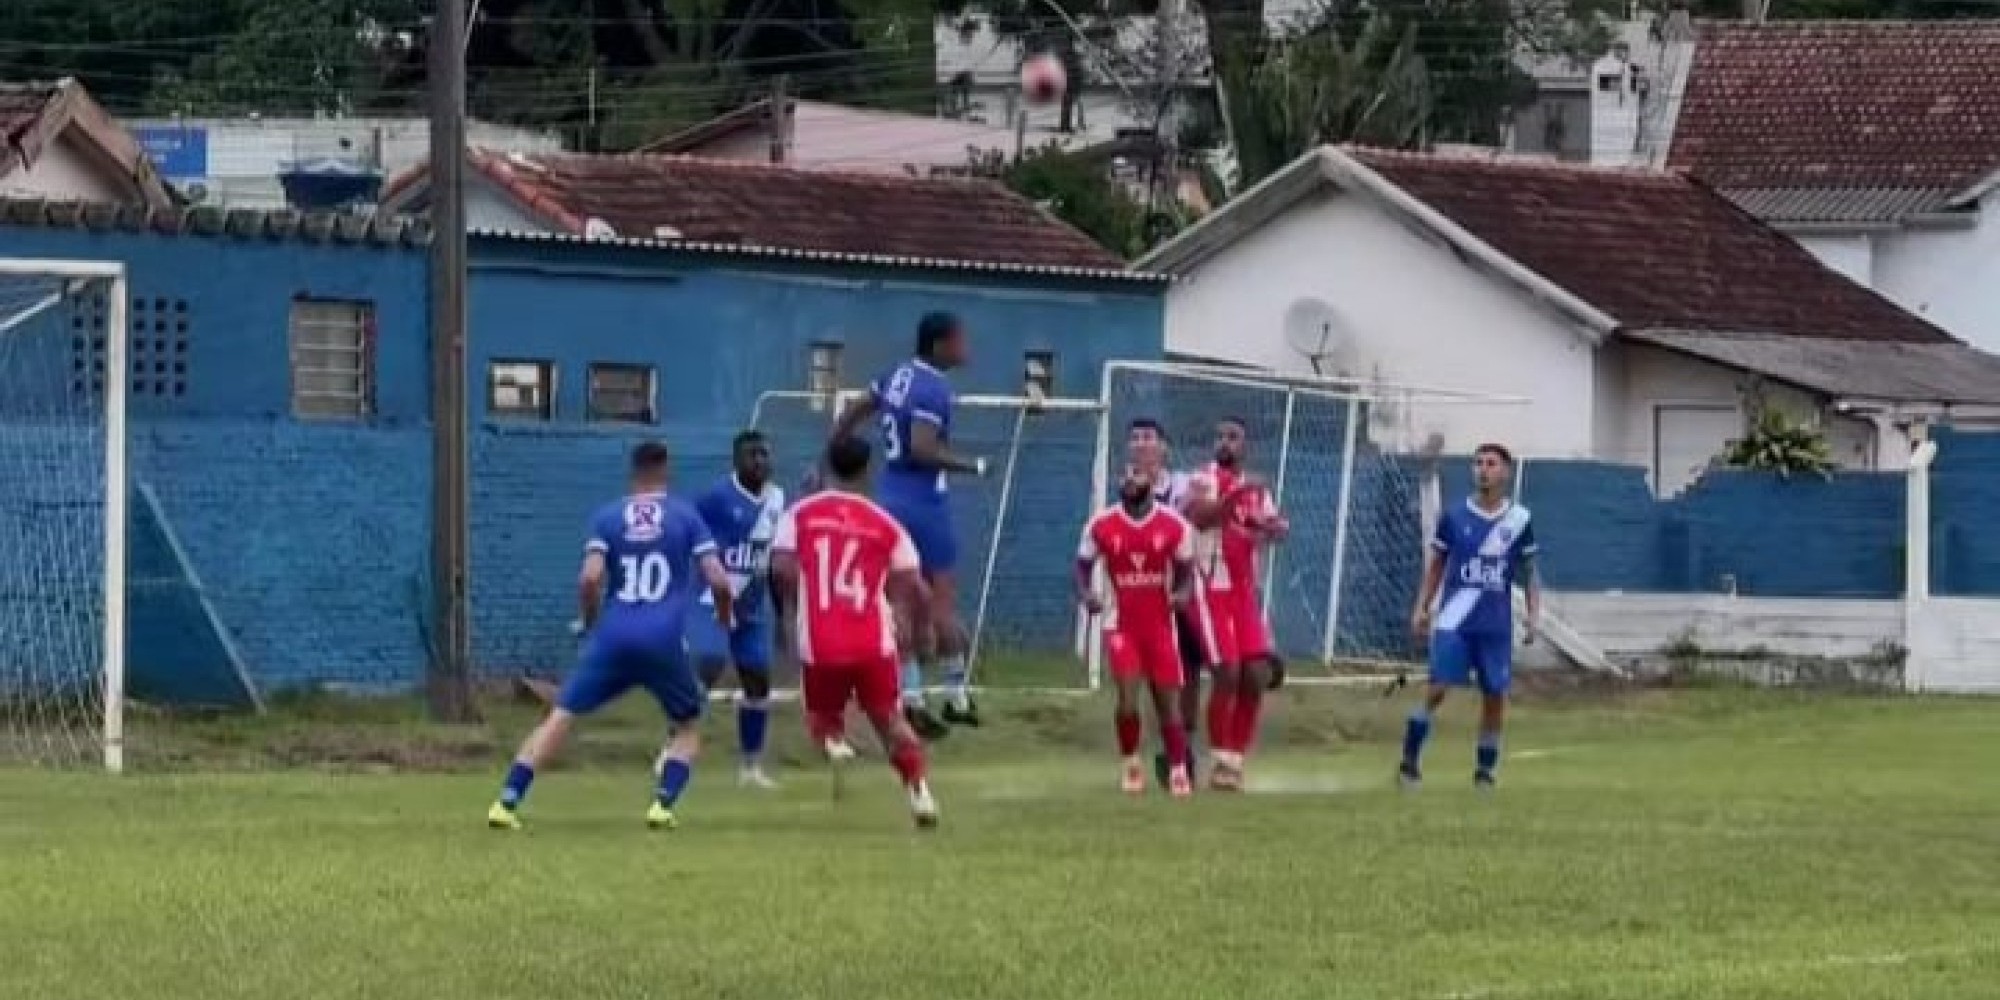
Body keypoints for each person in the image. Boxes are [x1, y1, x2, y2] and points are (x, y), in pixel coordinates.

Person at [488, 441, 733, 831]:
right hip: (663, 639)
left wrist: (589, 620)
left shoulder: (608, 517)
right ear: (665, 472)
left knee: (560, 717)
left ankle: (507, 801)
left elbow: (589, 578)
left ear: (633, 474)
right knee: (686, 727)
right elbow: (719, 579)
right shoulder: (685, 516)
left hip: (613, 636)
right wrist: (724, 616)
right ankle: (662, 805)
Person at [831, 312, 989, 740]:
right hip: (924, 503)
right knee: (940, 604)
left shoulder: (894, 375)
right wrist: (970, 465)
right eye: (960, 341)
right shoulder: (933, 387)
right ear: (940, 345)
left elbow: (853, 411)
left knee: (899, 603)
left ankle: (914, 698)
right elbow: (921, 449)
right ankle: (956, 697)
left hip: (889, 497)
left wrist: (837, 445)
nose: (966, 348)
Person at [770, 435, 940, 828]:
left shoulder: (801, 514)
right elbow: (916, 586)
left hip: (822, 638)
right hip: (873, 639)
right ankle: (920, 792)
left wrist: (802, 596)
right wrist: (917, 623)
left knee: (819, 714)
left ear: (828, 464)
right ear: (868, 470)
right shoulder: (886, 523)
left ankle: (834, 741)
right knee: (890, 719)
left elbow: (780, 567)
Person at [1401, 443, 1539, 791]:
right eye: (1478, 463)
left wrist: (1534, 616)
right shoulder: (1454, 516)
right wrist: (1422, 607)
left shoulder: (1519, 520)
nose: (1482, 469)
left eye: (1491, 464)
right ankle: (1410, 761)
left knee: (1494, 696)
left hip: (1494, 624)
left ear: (1505, 472)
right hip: (1454, 621)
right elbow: (1436, 566)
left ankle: (1484, 772)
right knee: (1438, 688)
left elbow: (1530, 572)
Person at [1181, 417, 1288, 790]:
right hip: (1209, 588)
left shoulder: (1256, 489)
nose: (1224, 442)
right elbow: (1201, 516)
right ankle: (1219, 758)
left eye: (1233, 437)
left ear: (1245, 446)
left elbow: (1276, 527)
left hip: (1243, 592)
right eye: (1220, 436)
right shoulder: (1201, 479)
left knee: (1255, 675)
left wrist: (1271, 527)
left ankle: (1236, 759)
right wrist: (1235, 500)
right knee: (1227, 672)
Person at [1077, 463, 1197, 797]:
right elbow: (1082, 565)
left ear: (1152, 482)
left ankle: (1177, 771)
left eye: (1137, 474)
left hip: (1161, 627)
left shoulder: (1174, 526)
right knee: (1128, 699)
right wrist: (1086, 593)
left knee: (1167, 704)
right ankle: (1131, 765)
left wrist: (1183, 592)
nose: (1129, 479)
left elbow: (1187, 569)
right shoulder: (1102, 524)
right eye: (1125, 473)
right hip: (1121, 626)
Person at [687, 429, 787, 789]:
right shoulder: (716, 497)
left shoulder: (777, 499)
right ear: (736, 460)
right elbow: (687, 531)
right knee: (707, 668)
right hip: (712, 601)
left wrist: (782, 614)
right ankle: (673, 749)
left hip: (752, 610)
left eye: (764, 454)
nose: (759, 461)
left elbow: (774, 559)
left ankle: (750, 768)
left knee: (758, 682)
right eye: (752, 455)